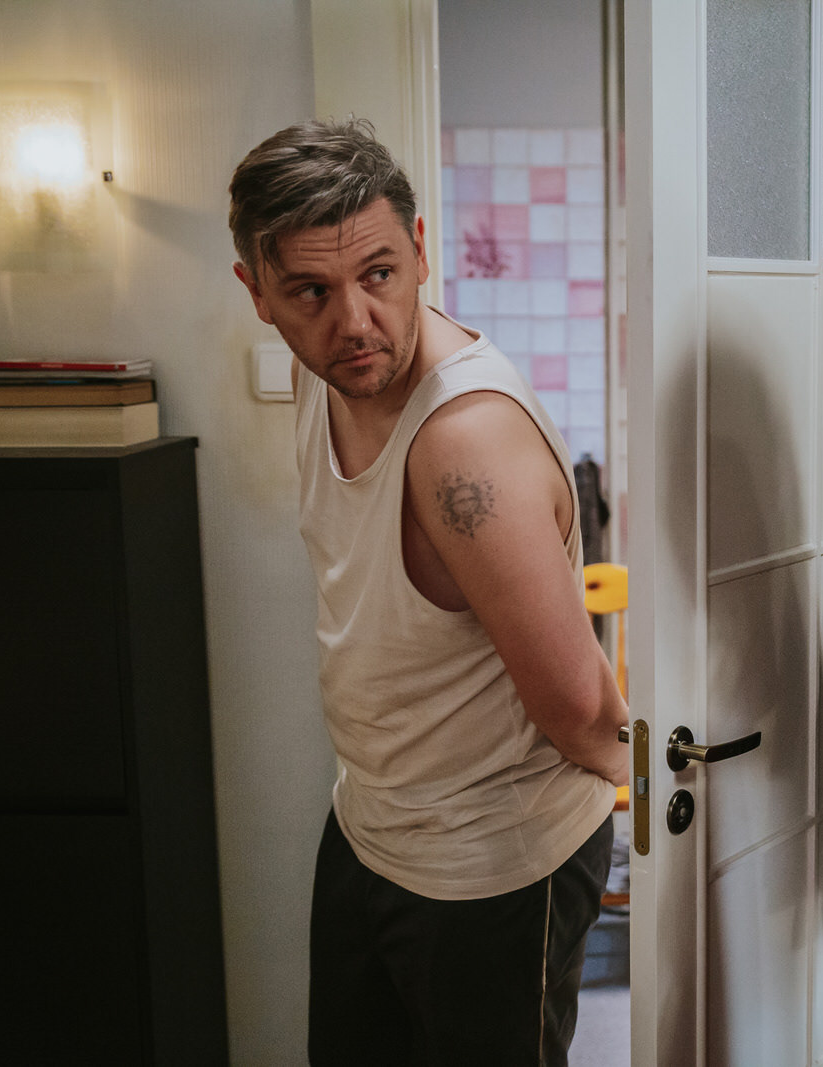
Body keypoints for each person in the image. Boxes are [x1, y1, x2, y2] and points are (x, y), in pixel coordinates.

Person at [228, 118, 628, 1066]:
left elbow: (579, 705)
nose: (355, 321)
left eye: (379, 274)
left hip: (493, 863)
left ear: (419, 248)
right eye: (312, 291)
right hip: (371, 822)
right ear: (258, 294)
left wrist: (650, 781)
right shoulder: (325, 374)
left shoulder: (463, 441)